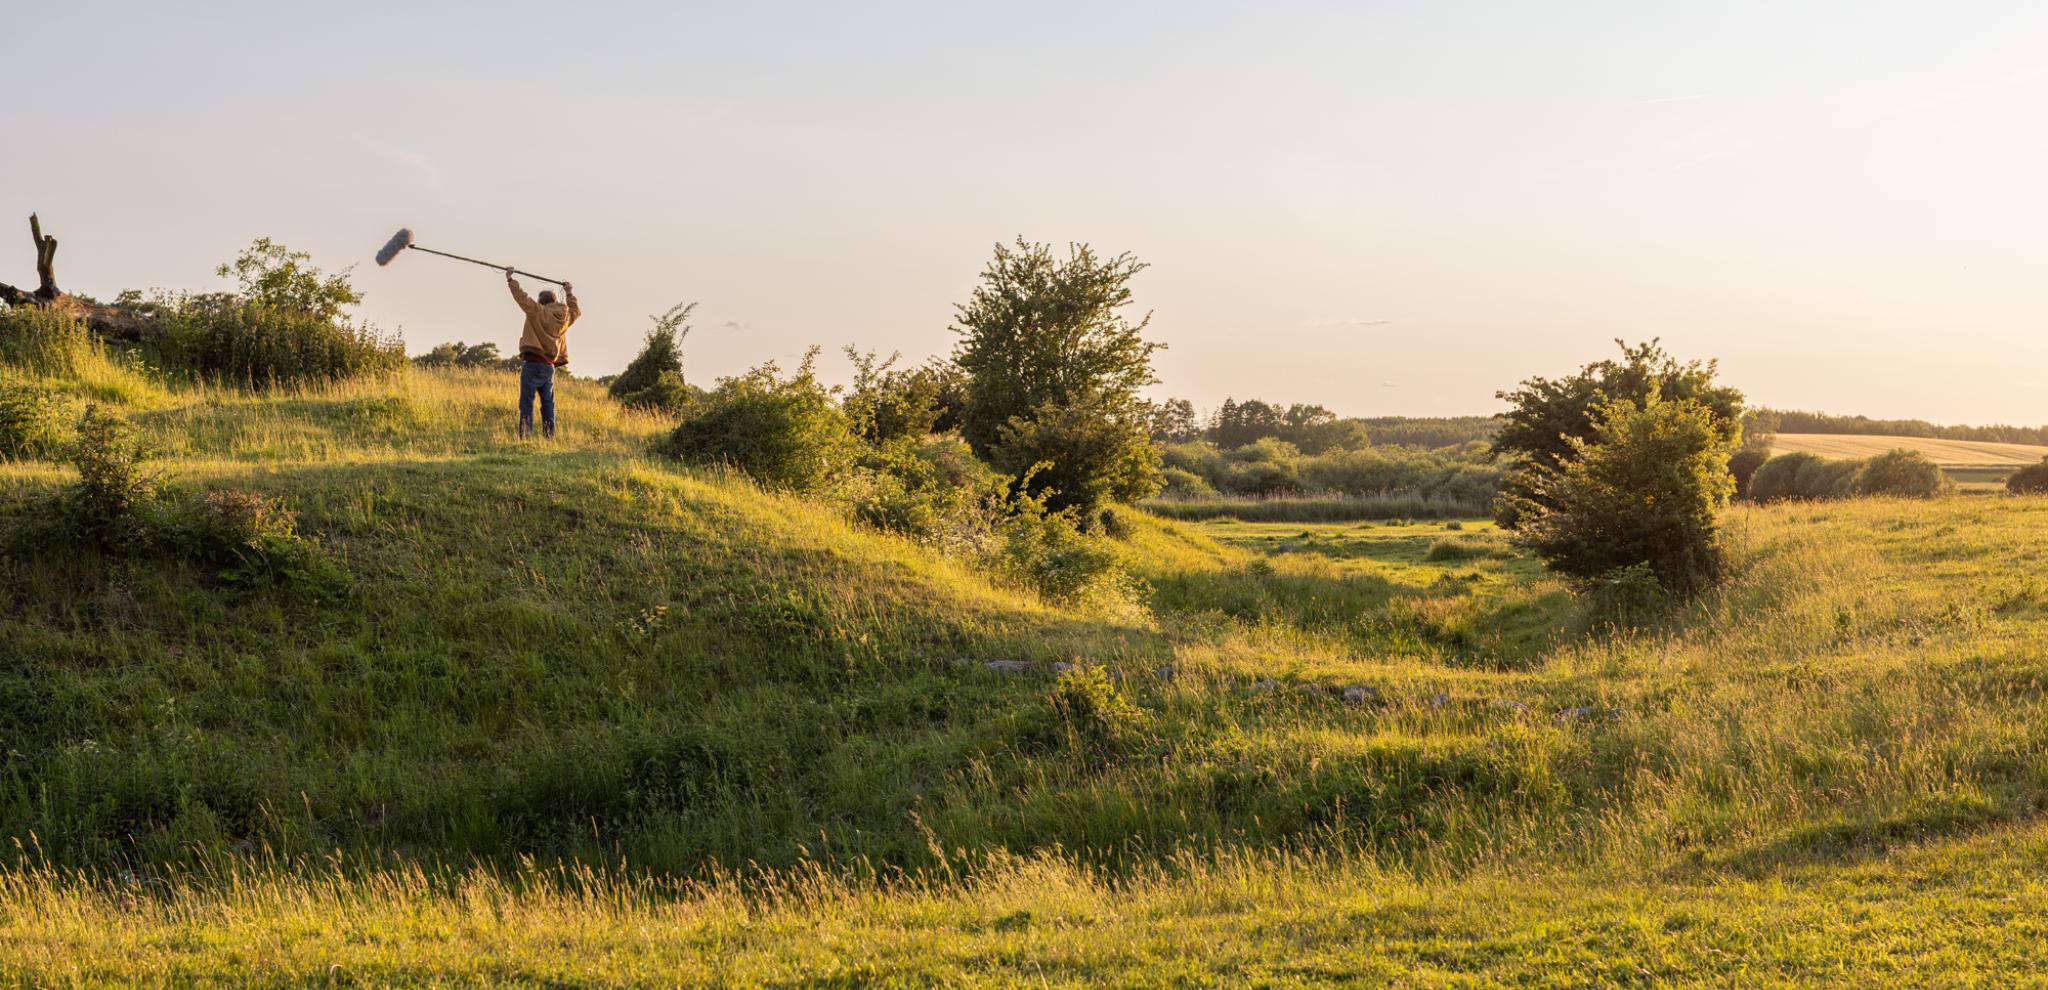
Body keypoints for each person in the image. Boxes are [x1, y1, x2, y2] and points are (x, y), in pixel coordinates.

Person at [506, 269, 578, 439]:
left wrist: (511, 280)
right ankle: (549, 437)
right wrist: (569, 293)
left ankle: (526, 436)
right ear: (554, 301)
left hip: (532, 364)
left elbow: (521, 298)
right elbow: (575, 310)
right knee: (547, 404)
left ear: (541, 301)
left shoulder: (537, 311)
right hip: (549, 367)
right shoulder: (565, 317)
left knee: (526, 403)